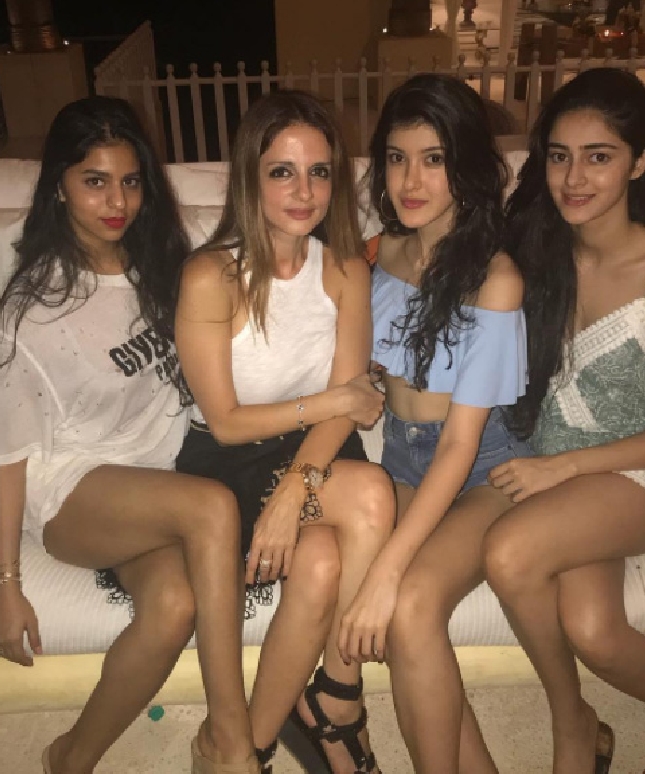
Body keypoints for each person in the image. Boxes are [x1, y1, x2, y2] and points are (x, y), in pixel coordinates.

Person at [0, 96, 259, 774]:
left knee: (173, 605)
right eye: (94, 181)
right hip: (72, 489)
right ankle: (233, 741)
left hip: (151, 484)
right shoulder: (35, 309)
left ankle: (70, 758)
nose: (117, 202)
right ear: (59, 186)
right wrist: (4, 585)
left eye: (130, 181)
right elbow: (6, 456)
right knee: (212, 507)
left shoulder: (160, 266)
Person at [482, 68, 645, 774]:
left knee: (510, 552)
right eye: (559, 156)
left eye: (599, 156)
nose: (573, 178)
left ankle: (571, 724)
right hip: (572, 479)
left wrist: (563, 467)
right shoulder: (540, 252)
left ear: (639, 162)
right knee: (594, 632)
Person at [174, 89, 395, 774]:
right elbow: (226, 421)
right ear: (251, 177)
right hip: (230, 460)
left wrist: (296, 487)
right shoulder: (211, 275)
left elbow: (352, 406)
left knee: (324, 561)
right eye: (282, 172)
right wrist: (332, 402)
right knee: (371, 496)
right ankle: (336, 701)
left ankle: (255, 745)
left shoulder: (347, 269)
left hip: (317, 452)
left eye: (319, 172)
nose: (304, 191)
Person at [339, 73, 531, 774]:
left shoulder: (495, 278)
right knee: (401, 615)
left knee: (410, 603)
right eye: (396, 158)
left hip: (480, 471)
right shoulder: (378, 254)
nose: (409, 181)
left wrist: (386, 570)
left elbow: (459, 444)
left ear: (466, 167)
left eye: (433, 159)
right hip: (400, 461)